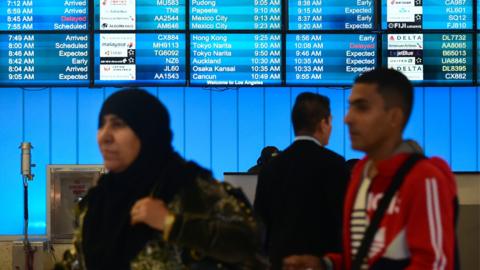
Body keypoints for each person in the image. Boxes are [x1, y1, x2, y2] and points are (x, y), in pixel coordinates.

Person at [55, 88, 266, 270]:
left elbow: (248, 241)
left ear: (147, 130)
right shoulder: (97, 202)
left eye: (118, 124)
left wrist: (172, 223)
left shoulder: (189, 188)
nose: (104, 136)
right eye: (101, 125)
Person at [285, 68, 458, 270]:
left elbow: (435, 264)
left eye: (362, 108)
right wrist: (326, 264)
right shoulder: (361, 174)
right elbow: (364, 259)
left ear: (394, 117)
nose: (347, 118)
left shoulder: (425, 178)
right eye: (350, 107)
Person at [254, 92, 349, 269]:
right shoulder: (335, 165)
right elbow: (343, 224)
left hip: (281, 263)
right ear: (323, 123)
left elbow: (261, 224)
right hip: (322, 263)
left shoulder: (271, 168)